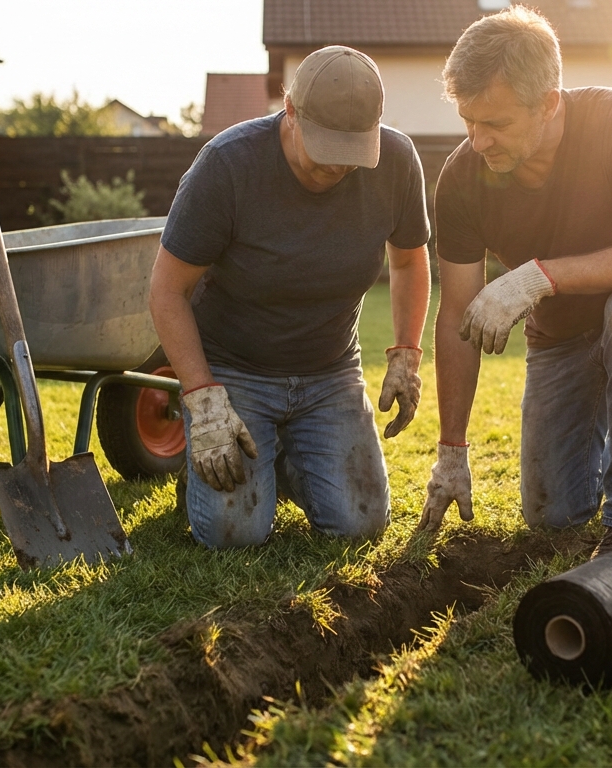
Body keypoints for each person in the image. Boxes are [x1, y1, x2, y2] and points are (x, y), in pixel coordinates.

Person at [418, 6, 612, 558]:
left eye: (496, 124)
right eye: (468, 121)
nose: (478, 141)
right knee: (552, 514)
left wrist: (538, 277)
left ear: (549, 103)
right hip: (560, 337)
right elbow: (457, 312)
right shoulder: (461, 179)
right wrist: (451, 450)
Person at [149, 45, 431, 549]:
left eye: (352, 153)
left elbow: (409, 260)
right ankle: (216, 463)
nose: (339, 168)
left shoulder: (397, 162)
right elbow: (168, 290)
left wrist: (406, 352)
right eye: (327, 150)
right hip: (235, 369)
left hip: (330, 370)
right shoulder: (227, 165)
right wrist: (203, 399)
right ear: (291, 110)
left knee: (360, 523)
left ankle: (284, 457)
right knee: (234, 534)